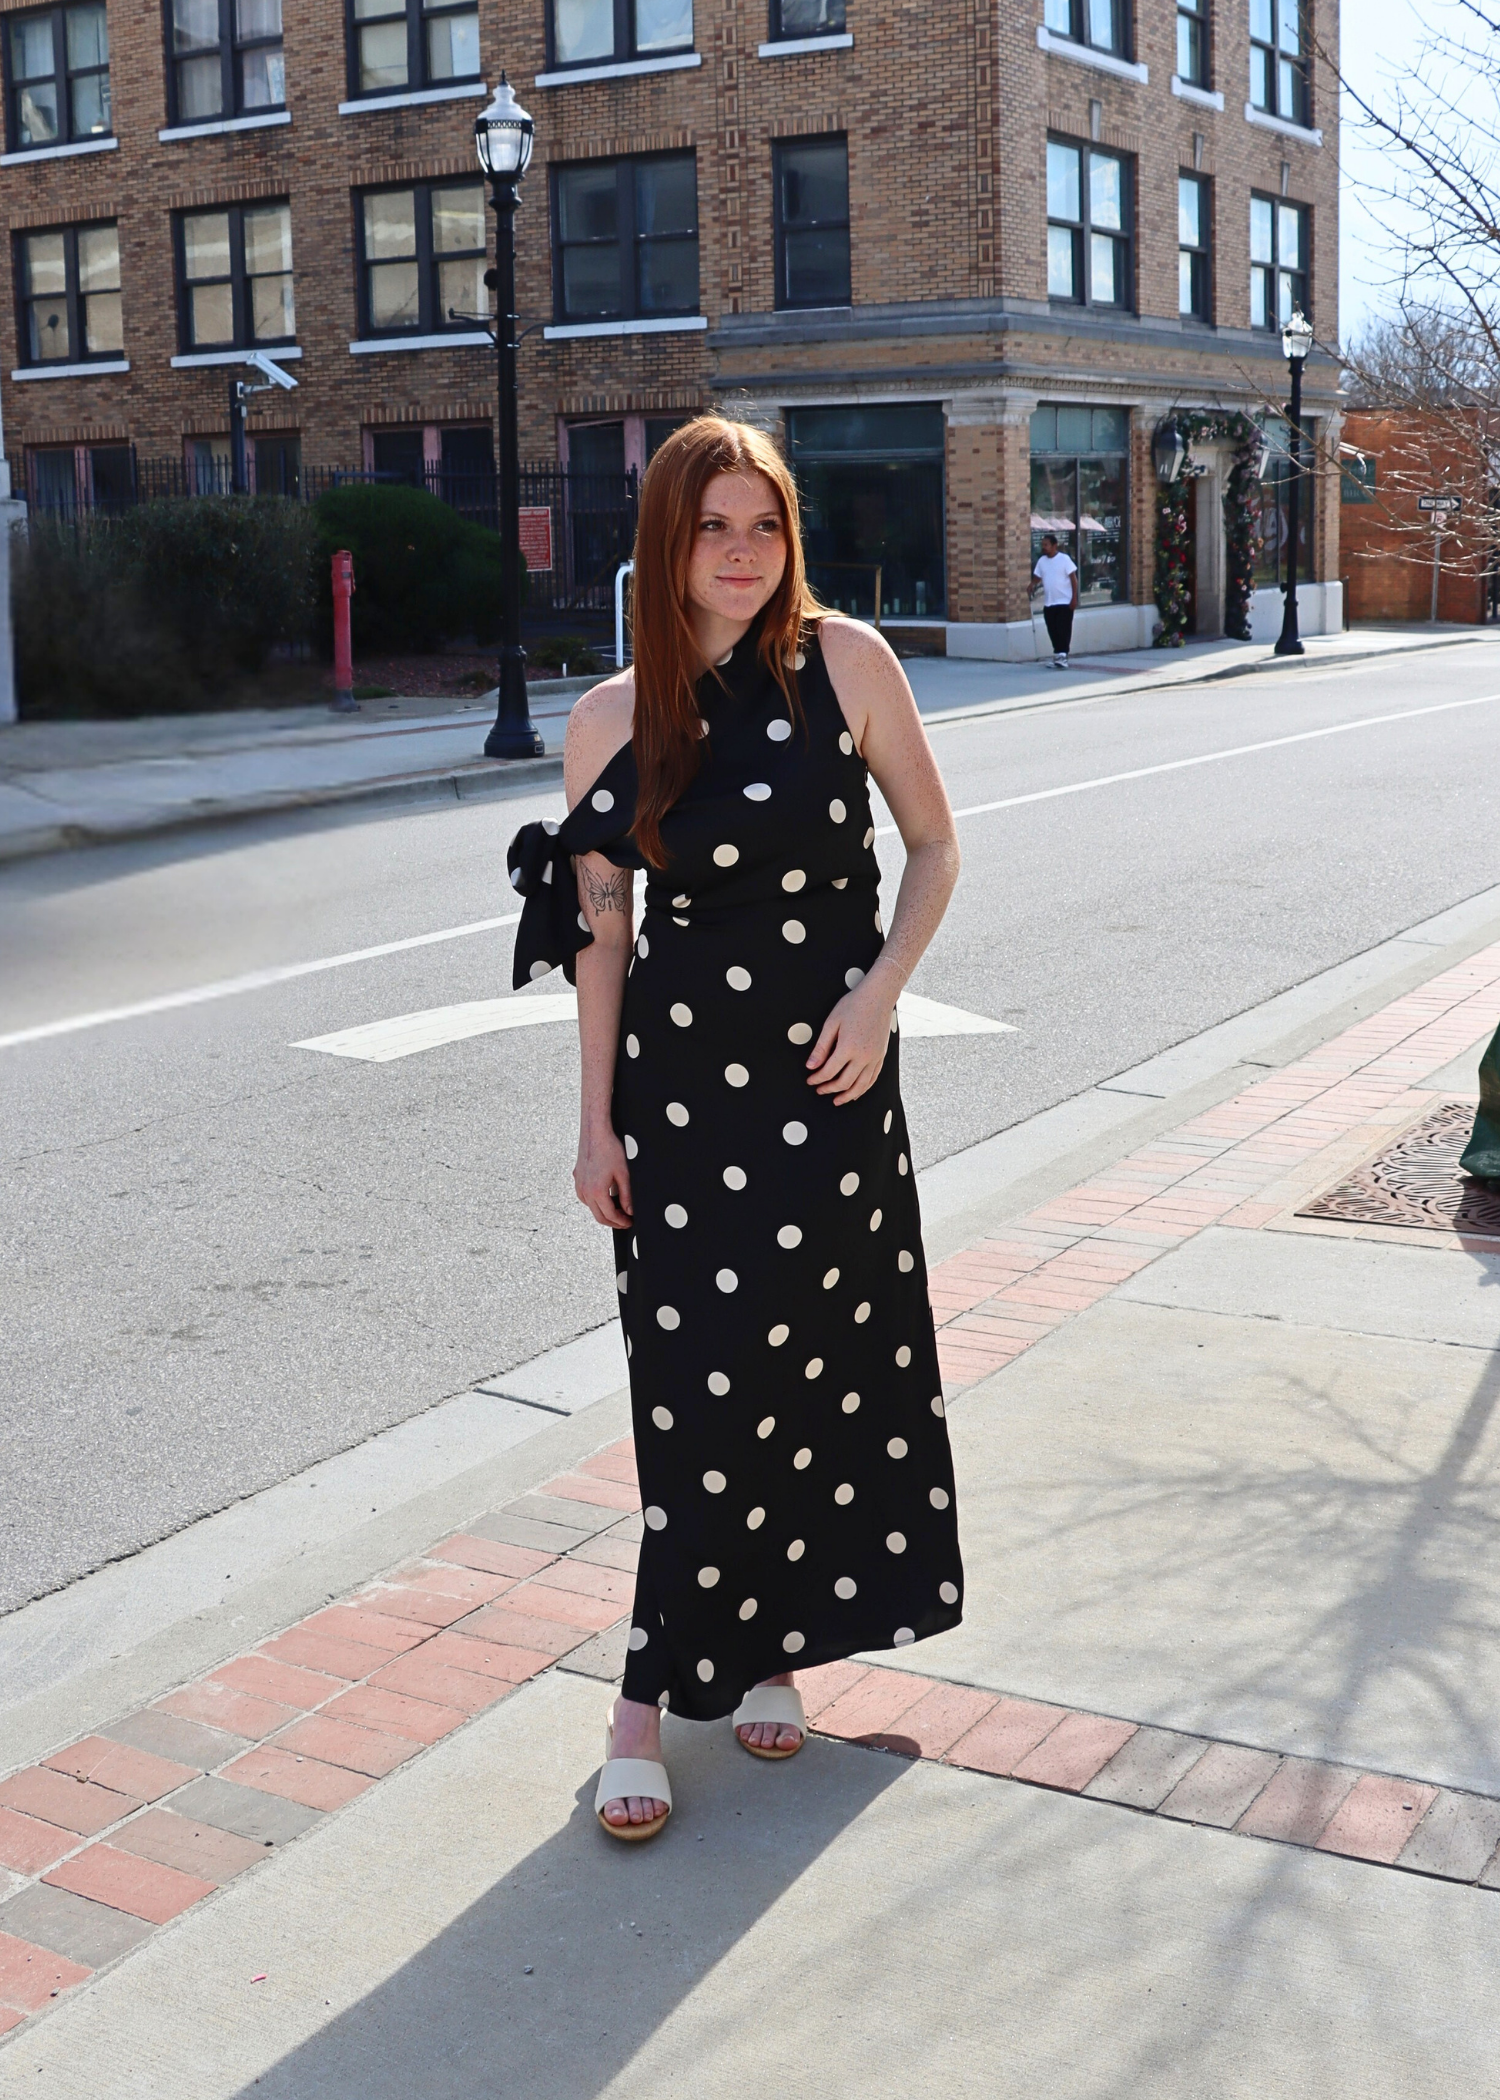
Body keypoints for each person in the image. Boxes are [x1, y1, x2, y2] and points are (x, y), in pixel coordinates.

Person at [507, 416, 964, 1842]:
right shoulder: (613, 718)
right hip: (684, 1097)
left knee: (812, 1371)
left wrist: (881, 996)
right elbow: (601, 938)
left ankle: (769, 1651)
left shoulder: (850, 664)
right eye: (713, 526)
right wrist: (595, 1123)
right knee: (694, 1388)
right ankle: (641, 1704)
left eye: (765, 525)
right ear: (666, 539)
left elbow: (935, 846)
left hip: (832, 1083)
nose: (743, 552)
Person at [1029, 532, 1079, 667]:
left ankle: (1063, 656)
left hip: (1064, 601)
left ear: (1054, 545)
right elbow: (1038, 576)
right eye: (1042, 545)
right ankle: (1057, 655)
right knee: (1052, 629)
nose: (1043, 547)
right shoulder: (1042, 561)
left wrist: (1074, 598)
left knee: (1063, 629)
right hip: (1049, 602)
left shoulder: (1064, 559)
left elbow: (1073, 578)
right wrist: (1032, 584)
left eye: (1046, 545)